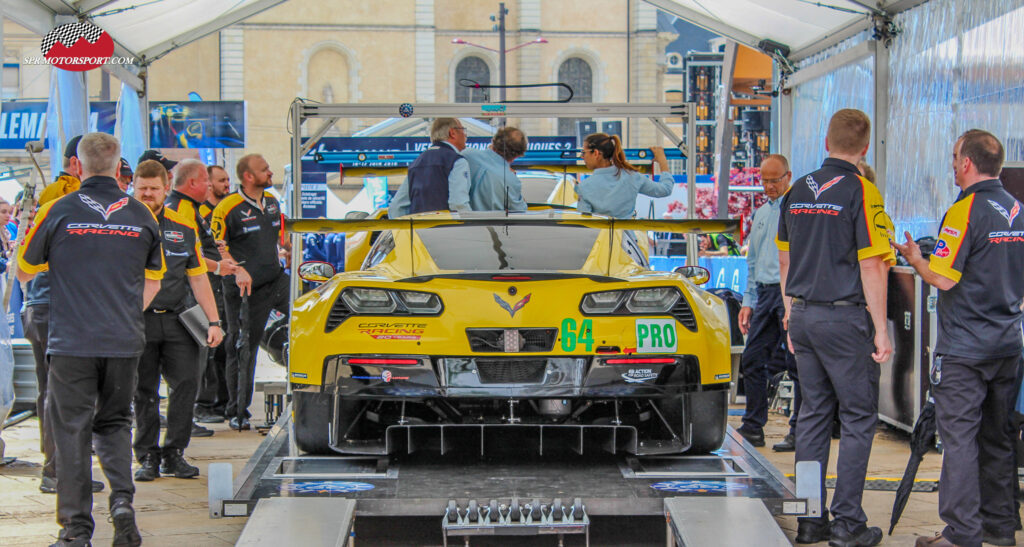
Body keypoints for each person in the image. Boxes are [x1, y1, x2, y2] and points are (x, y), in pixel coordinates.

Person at [17, 132, 165, 547]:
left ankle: (76, 531)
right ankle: (122, 505)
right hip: (122, 338)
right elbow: (154, 280)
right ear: (121, 168)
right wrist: (121, 313)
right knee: (115, 423)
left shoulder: (56, 210)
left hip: (71, 340)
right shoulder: (143, 216)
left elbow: (24, 271)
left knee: (71, 431)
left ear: (77, 166)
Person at [893, 130, 1024, 547]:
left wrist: (916, 260)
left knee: (960, 440)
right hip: (1008, 345)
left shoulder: (964, 211)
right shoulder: (1017, 209)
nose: (951, 164)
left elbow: (944, 278)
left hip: (966, 350)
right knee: (999, 437)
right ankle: (1000, 529)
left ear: (967, 162)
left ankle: (961, 532)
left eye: (954, 157)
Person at [777, 108, 894, 547]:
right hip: (845, 319)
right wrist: (880, 329)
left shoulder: (797, 190)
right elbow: (872, 265)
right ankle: (847, 524)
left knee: (811, 417)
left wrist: (790, 313)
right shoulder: (862, 191)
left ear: (826, 143)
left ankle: (809, 518)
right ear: (864, 150)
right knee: (859, 417)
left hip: (804, 316)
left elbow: (785, 260)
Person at [20, 135, 104, 496]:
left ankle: (62, 468)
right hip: (54, 306)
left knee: (58, 393)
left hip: (56, 306)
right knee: (59, 394)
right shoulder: (59, 197)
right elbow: (29, 263)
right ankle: (58, 471)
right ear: (75, 164)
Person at [131, 160, 224, 482]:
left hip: (178, 319)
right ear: (133, 187)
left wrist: (213, 321)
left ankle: (174, 452)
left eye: (154, 188)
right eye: (142, 188)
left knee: (186, 384)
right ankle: (147, 456)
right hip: (136, 321)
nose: (147, 194)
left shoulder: (182, 226)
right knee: (143, 391)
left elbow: (198, 278)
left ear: (165, 188)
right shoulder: (122, 224)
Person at [210, 154, 290, 430]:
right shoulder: (227, 207)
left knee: (309, 317)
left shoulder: (272, 202)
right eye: (264, 169)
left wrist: (283, 250)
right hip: (244, 289)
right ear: (248, 177)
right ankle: (237, 411)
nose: (270, 172)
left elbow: (276, 235)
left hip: (277, 280)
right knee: (243, 346)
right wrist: (235, 269)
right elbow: (217, 246)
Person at [165, 160, 237, 431]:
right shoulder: (181, 210)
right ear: (192, 183)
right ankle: (195, 412)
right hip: (187, 298)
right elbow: (187, 255)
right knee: (195, 358)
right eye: (206, 180)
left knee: (200, 356)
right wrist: (219, 266)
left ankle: (190, 415)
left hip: (191, 295)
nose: (209, 186)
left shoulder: (189, 208)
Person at [736, 154, 801, 452]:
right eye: (764, 180)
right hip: (764, 293)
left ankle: (800, 430)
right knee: (752, 359)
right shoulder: (762, 214)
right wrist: (748, 300)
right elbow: (752, 261)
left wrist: (793, 300)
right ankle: (753, 427)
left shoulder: (798, 211)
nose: (769, 186)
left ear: (788, 176)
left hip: (790, 292)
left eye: (774, 180)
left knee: (798, 363)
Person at [194, 164, 233, 423]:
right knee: (206, 347)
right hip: (202, 285)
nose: (226, 185)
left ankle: (222, 402)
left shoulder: (226, 210)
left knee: (223, 348)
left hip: (222, 286)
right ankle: (204, 405)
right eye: (221, 181)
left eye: (227, 180)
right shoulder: (197, 213)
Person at [575, 133, 673, 219]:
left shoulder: (584, 187)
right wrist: (662, 161)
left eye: (584, 152)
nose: (582, 156)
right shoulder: (632, 176)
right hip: (626, 238)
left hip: (599, 239)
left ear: (596, 153)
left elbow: (584, 224)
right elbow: (665, 189)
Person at [388, 118, 471, 217]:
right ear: (452, 133)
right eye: (463, 130)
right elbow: (458, 204)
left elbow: (396, 207)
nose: (465, 135)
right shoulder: (457, 161)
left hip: (419, 230)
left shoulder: (416, 163)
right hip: (447, 229)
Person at [463, 126, 528, 212]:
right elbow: (520, 211)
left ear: (493, 141)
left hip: (457, 223)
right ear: (517, 155)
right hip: (491, 224)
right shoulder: (511, 181)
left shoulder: (466, 155)